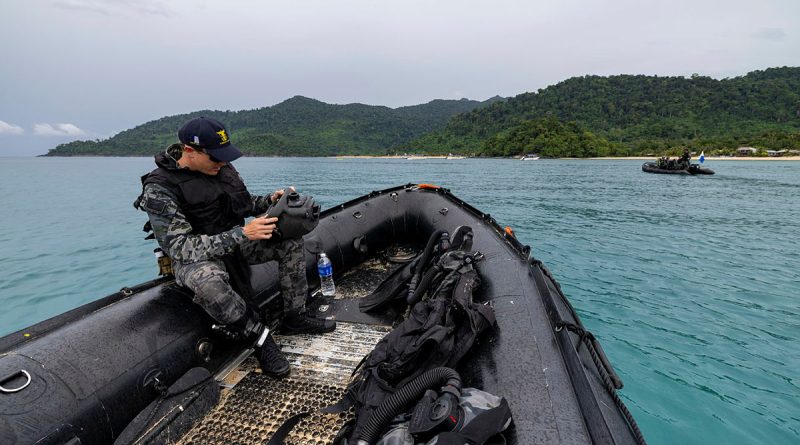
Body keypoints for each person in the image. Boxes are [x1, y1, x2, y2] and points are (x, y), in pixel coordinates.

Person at [134, 116, 335, 378]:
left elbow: (241, 202)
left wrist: (268, 201)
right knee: (209, 285)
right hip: (197, 256)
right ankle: (261, 339)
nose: (221, 162)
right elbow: (180, 247)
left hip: (234, 242)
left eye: (224, 156)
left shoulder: (220, 168)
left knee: (290, 242)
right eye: (215, 158)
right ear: (190, 151)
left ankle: (294, 316)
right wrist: (242, 234)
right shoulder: (159, 188)